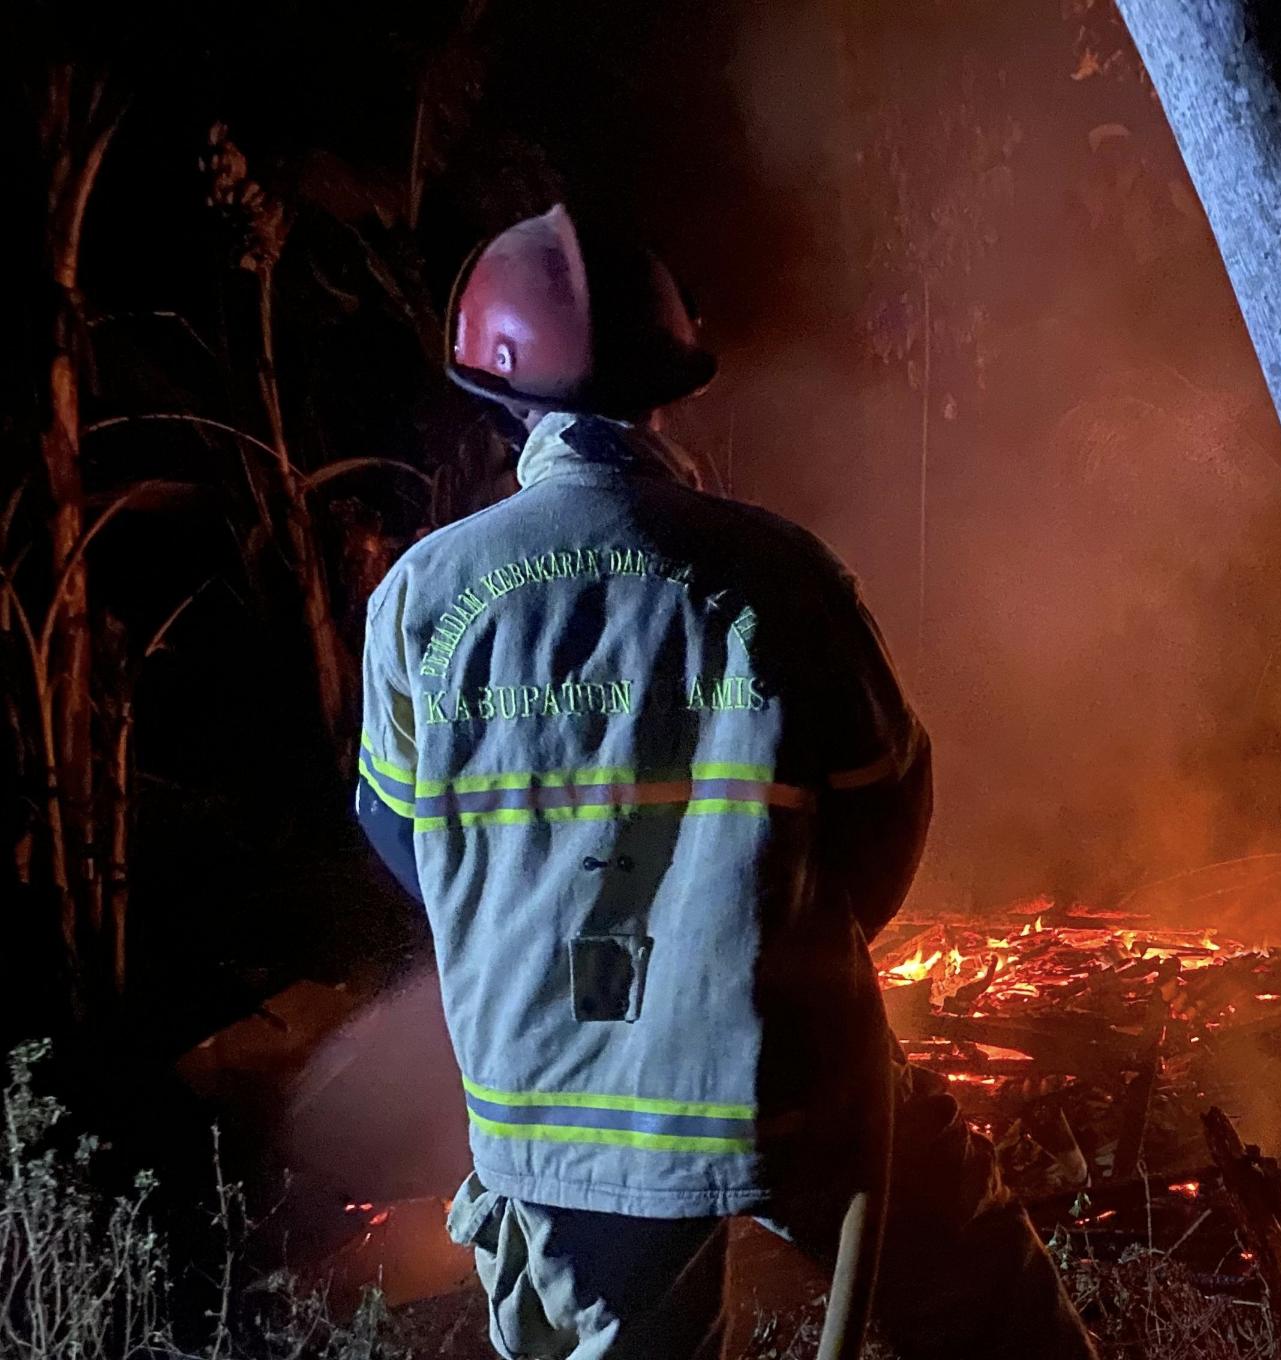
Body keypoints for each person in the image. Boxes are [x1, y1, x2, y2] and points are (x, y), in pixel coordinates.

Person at [353, 203, 1095, 1360]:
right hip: (785, 1069)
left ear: (494, 395)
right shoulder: (778, 573)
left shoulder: (420, 596)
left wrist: (528, 937)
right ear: (670, 386)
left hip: (549, 1107)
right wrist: (777, 946)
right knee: (983, 1295)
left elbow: (401, 836)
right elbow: (884, 811)